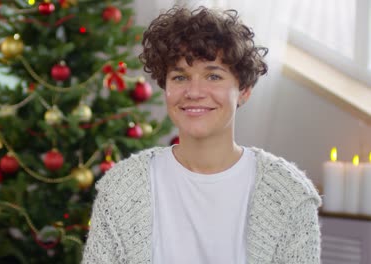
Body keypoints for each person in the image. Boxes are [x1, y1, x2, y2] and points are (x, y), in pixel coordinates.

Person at [82, 6, 321, 264]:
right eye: (180, 77)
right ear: (166, 87)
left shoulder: (290, 195)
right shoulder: (121, 189)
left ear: (244, 90)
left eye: (213, 76)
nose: (194, 92)